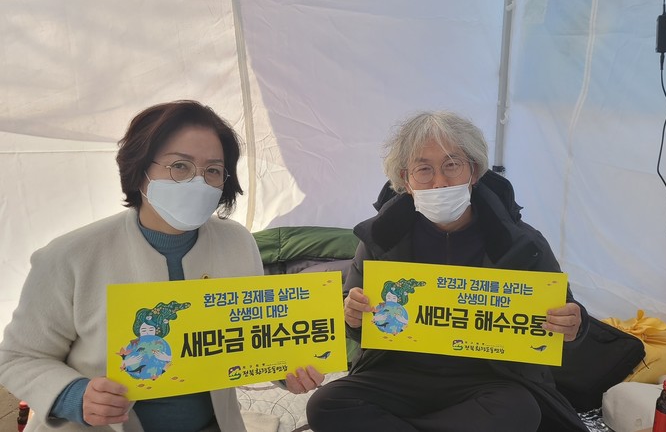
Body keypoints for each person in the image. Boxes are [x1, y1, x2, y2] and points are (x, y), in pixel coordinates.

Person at [0, 100, 323, 432]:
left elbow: (253, 334)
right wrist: (74, 396)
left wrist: (286, 370)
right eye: (180, 166)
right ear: (140, 169)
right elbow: (18, 357)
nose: (198, 182)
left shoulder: (237, 242)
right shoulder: (70, 256)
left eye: (213, 170)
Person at [306, 111, 590, 432]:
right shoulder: (380, 238)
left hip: (486, 378)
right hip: (397, 374)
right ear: (406, 180)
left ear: (474, 171)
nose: (439, 181)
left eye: (452, 165)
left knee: (520, 410)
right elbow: (358, 322)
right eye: (424, 169)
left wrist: (573, 323)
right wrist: (353, 315)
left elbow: (565, 316)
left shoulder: (522, 243)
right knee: (325, 405)